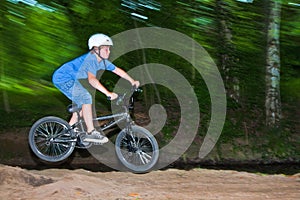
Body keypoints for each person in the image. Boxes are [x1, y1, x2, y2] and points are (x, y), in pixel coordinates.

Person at [52, 33, 140, 143]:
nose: (109, 51)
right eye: (106, 49)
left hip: (71, 79)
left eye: (109, 49)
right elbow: (92, 80)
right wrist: (108, 93)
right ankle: (91, 132)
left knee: (81, 104)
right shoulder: (91, 60)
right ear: (96, 49)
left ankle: (69, 131)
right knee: (86, 98)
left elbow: (117, 70)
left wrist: (132, 81)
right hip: (62, 78)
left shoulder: (102, 61)